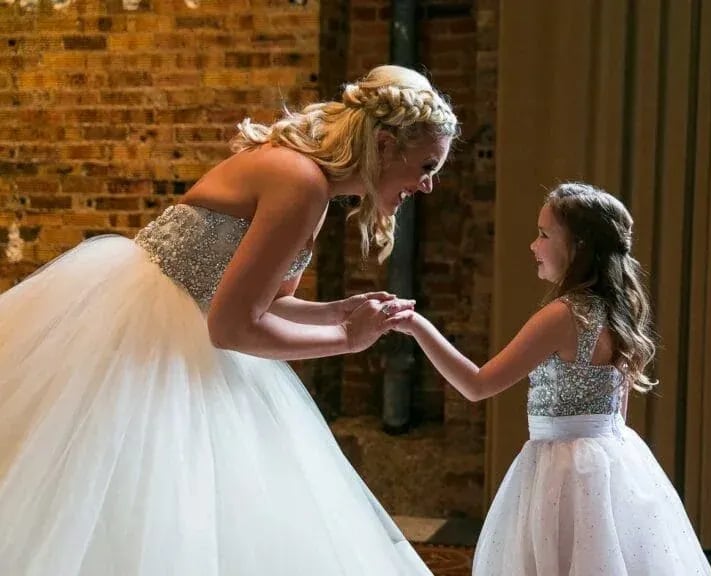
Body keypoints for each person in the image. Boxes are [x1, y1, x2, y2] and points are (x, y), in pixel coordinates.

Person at [0, 65, 458, 575]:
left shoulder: (314, 186)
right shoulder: (298, 181)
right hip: (143, 339)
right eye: (426, 165)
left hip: (184, 329)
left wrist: (337, 310)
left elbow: (265, 303)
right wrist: (346, 340)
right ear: (387, 145)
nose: (428, 185)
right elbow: (232, 328)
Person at [392, 183, 711, 575]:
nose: (533, 245)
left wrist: (416, 325)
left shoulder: (564, 315)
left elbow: (477, 385)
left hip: (561, 472)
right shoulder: (618, 309)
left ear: (576, 246)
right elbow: (618, 411)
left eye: (544, 235)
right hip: (615, 460)